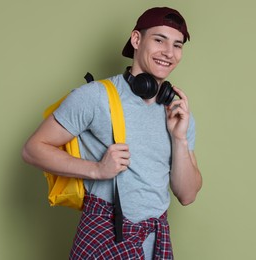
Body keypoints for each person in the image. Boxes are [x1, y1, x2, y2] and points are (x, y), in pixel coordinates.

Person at [22, 6, 202, 259]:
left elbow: (187, 194)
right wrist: (96, 169)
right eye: (159, 40)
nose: (168, 53)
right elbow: (33, 149)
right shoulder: (95, 96)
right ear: (136, 39)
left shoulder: (178, 113)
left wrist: (180, 138)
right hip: (106, 234)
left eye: (177, 45)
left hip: (155, 240)